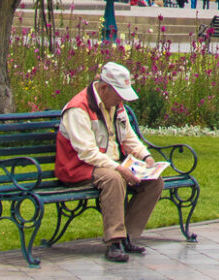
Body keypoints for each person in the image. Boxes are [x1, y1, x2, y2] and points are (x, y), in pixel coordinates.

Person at [55, 62, 162, 262]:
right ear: (104, 88)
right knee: (114, 179)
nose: (122, 99)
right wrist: (120, 168)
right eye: (119, 94)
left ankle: (128, 235)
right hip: (79, 168)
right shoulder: (78, 108)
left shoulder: (115, 104)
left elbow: (129, 137)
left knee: (155, 181)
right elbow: (87, 153)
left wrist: (146, 157)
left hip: (109, 163)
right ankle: (114, 242)